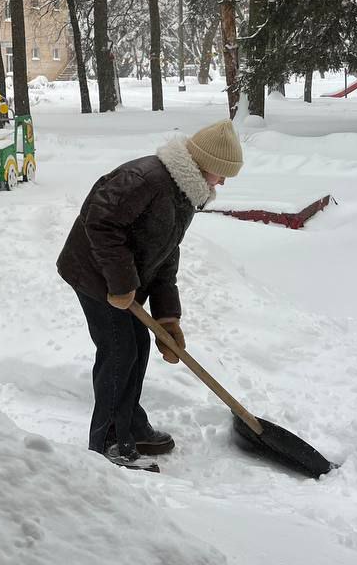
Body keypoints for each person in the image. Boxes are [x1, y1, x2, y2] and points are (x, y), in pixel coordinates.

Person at [56, 119, 243, 470]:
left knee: (138, 345)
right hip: (93, 273)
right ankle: (109, 441)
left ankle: (131, 424)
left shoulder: (185, 190)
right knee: (119, 350)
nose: (224, 182)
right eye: (221, 172)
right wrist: (122, 283)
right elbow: (99, 222)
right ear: (203, 166)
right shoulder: (146, 179)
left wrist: (167, 315)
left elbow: (165, 252)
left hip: (119, 279)